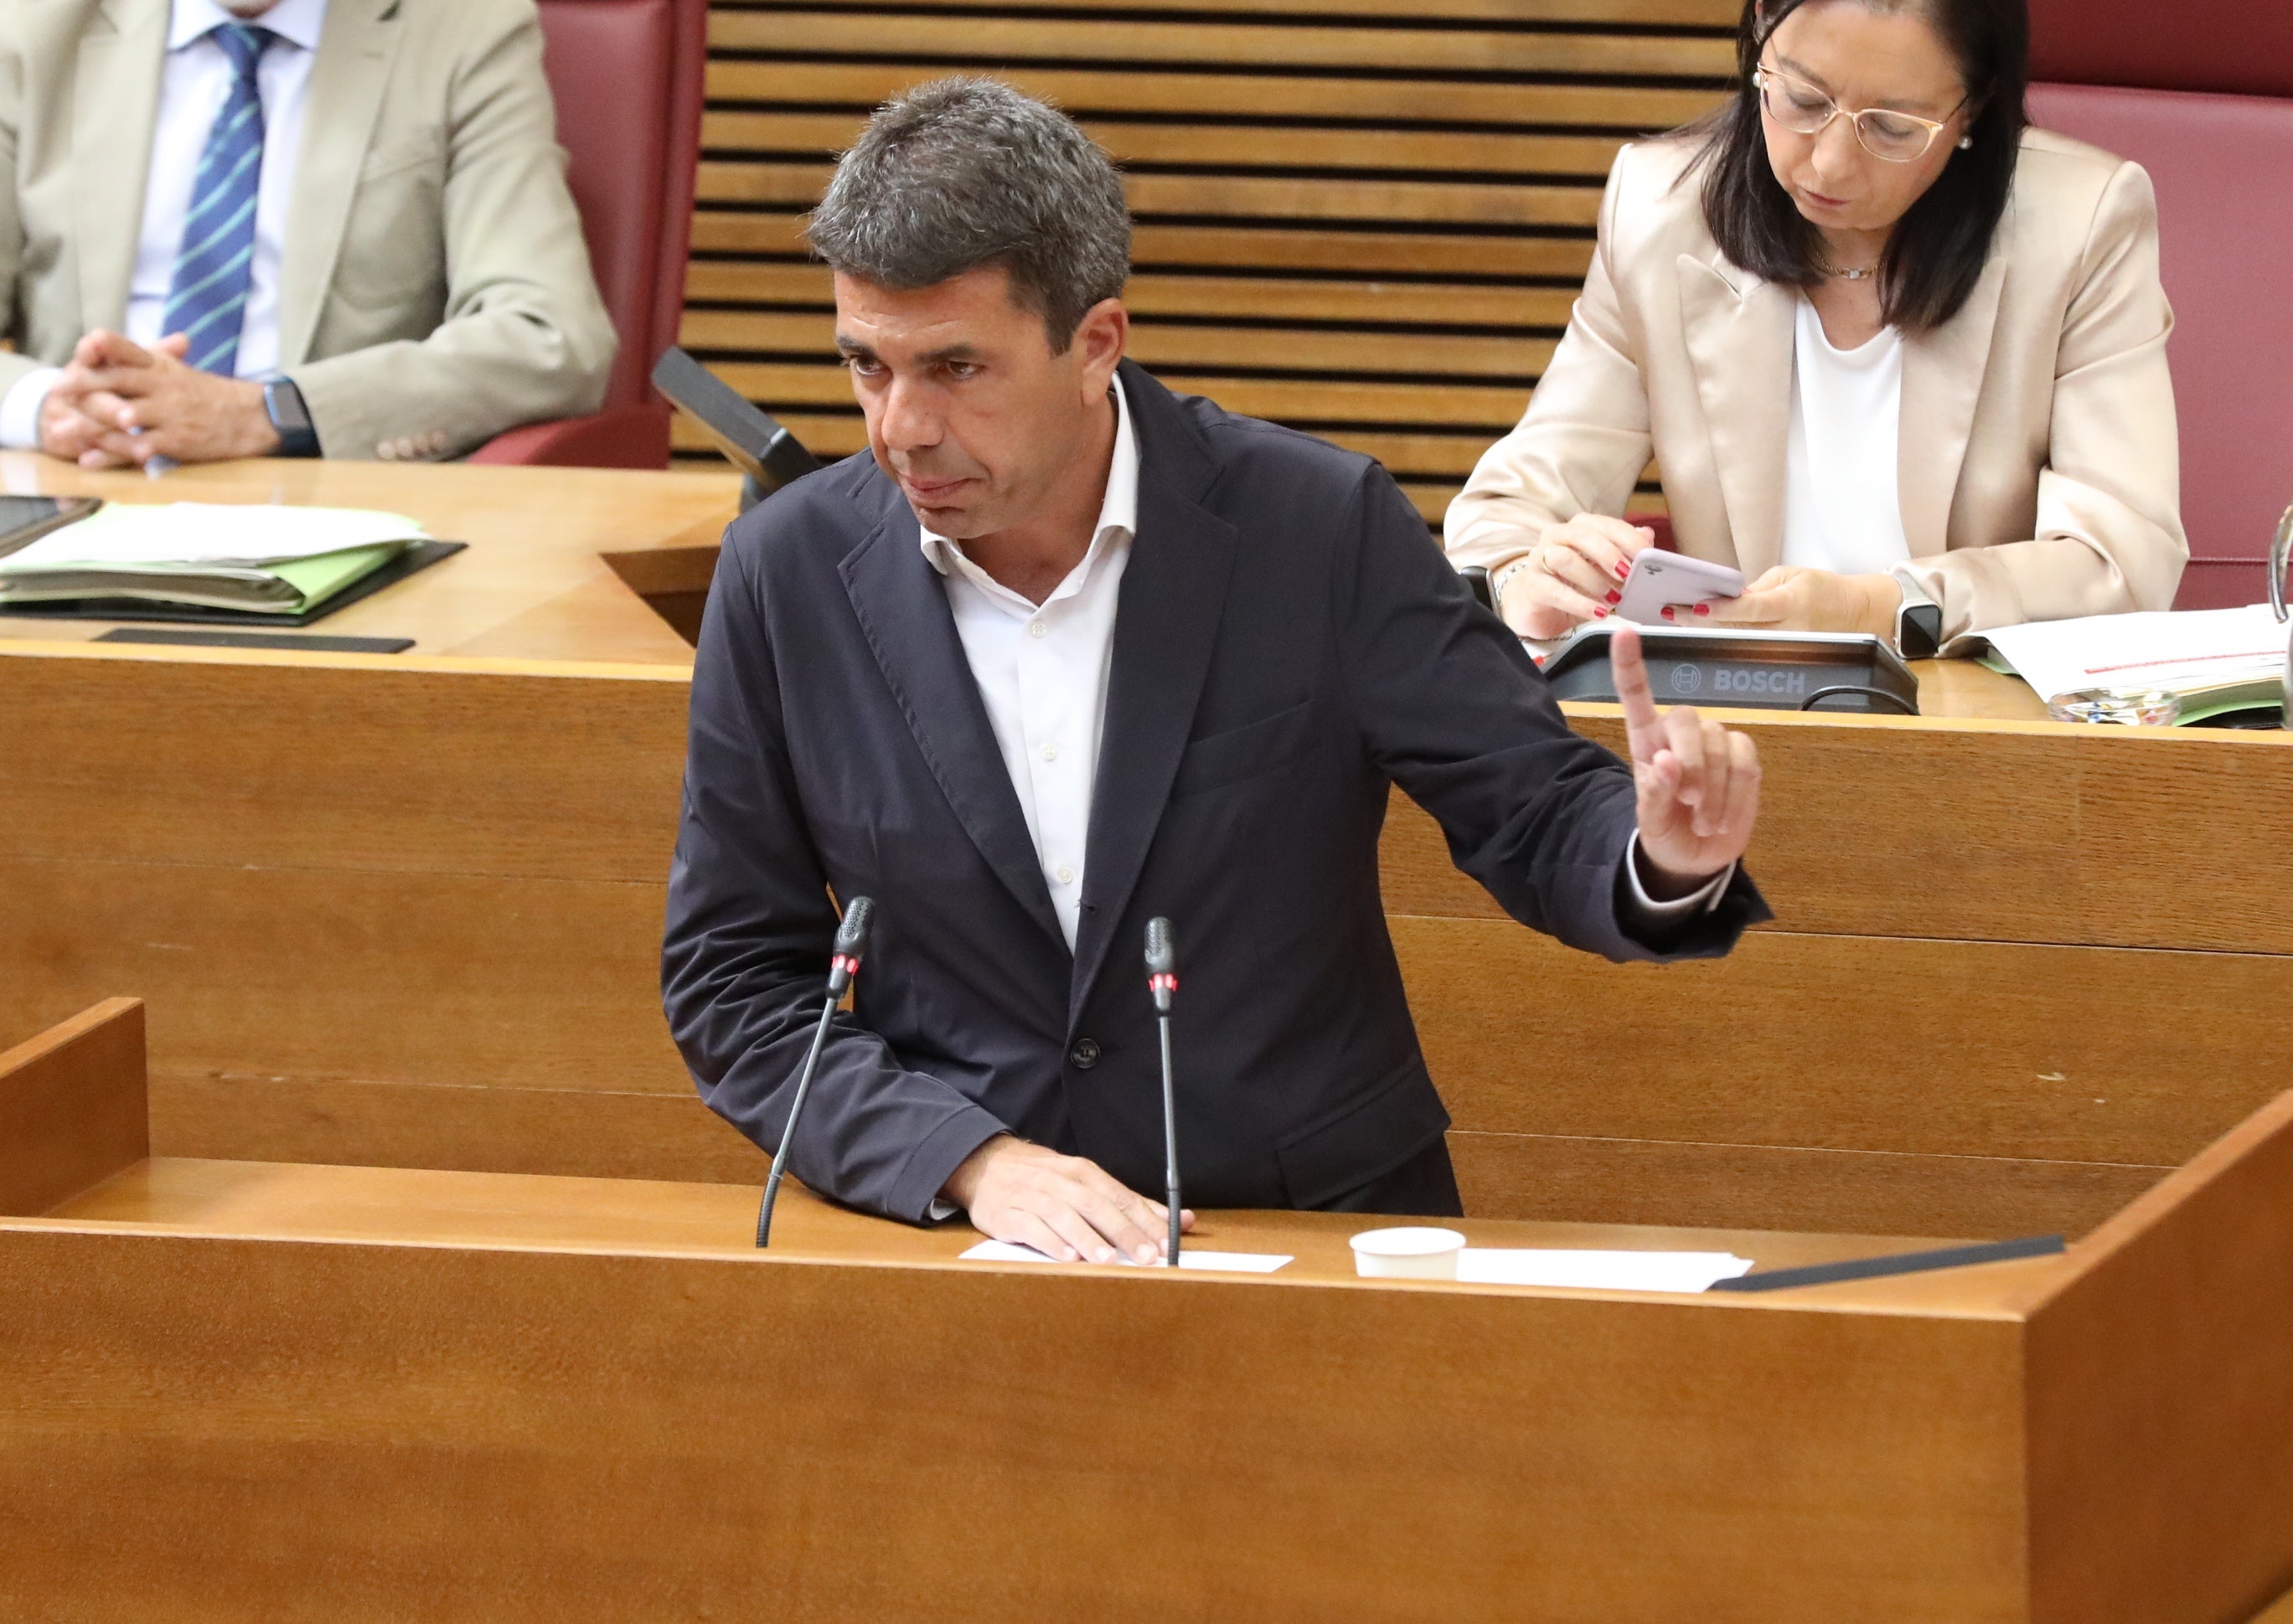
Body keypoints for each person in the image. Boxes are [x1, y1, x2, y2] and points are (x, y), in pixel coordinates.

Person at [662, 78, 1771, 1267]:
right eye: (867, 369)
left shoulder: (1315, 526)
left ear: (1095, 343)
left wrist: (1659, 856)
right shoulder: (789, 573)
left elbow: (1537, 803)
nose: (901, 429)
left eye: (955, 369)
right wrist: (965, 1157)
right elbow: (734, 974)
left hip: (1308, 1224)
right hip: (964, 1247)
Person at [1447, 0, 2185, 653]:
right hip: (1740, 725)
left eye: (1892, 127)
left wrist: (1874, 607)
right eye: (1801, 100)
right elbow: (1503, 514)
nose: (1829, 164)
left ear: (1973, 108)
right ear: (1760, 30)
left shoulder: (2081, 222)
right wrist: (1530, 575)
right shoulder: (1658, 211)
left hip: (1982, 737)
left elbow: (2121, 559)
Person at [0, 0, 617, 468]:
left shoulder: (462, 30)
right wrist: (46, 406)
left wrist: (271, 412)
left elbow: (551, 335)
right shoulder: (30, 26)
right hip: (72, 492)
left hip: (322, 502)